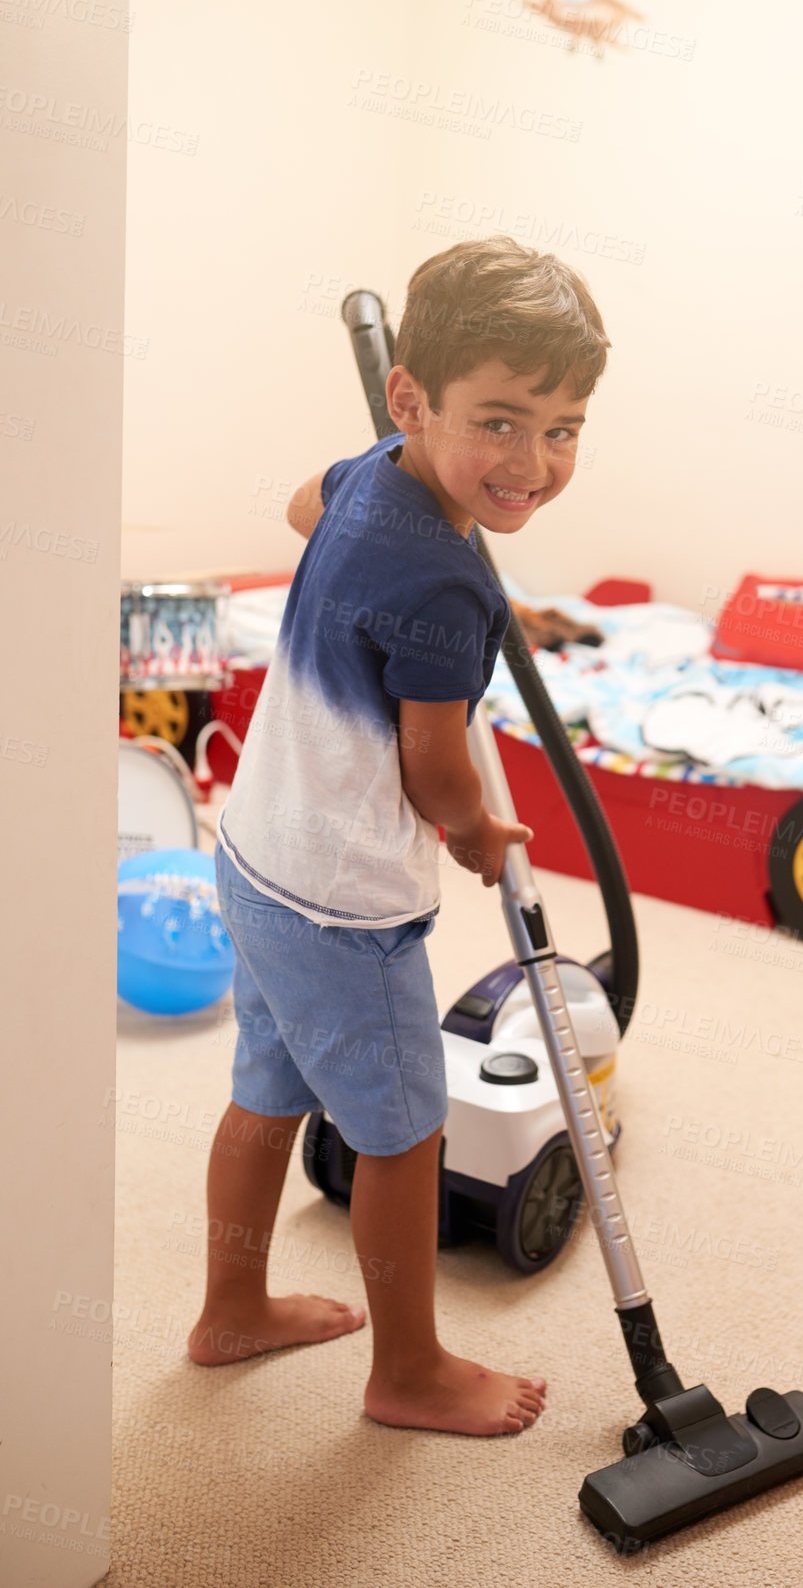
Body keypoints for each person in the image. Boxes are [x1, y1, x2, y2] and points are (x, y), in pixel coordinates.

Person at [188, 237, 610, 1435]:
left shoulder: (377, 471)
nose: (532, 462)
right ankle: (410, 1371)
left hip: (257, 849)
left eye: (564, 428)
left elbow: (304, 505)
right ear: (410, 396)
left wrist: (453, 545)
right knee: (404, 1134)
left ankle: (230, 1307)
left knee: (265, 1094)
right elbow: (435, 770)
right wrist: (481, 834)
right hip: (344, 904)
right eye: (501, 423)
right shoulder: (444, 592)